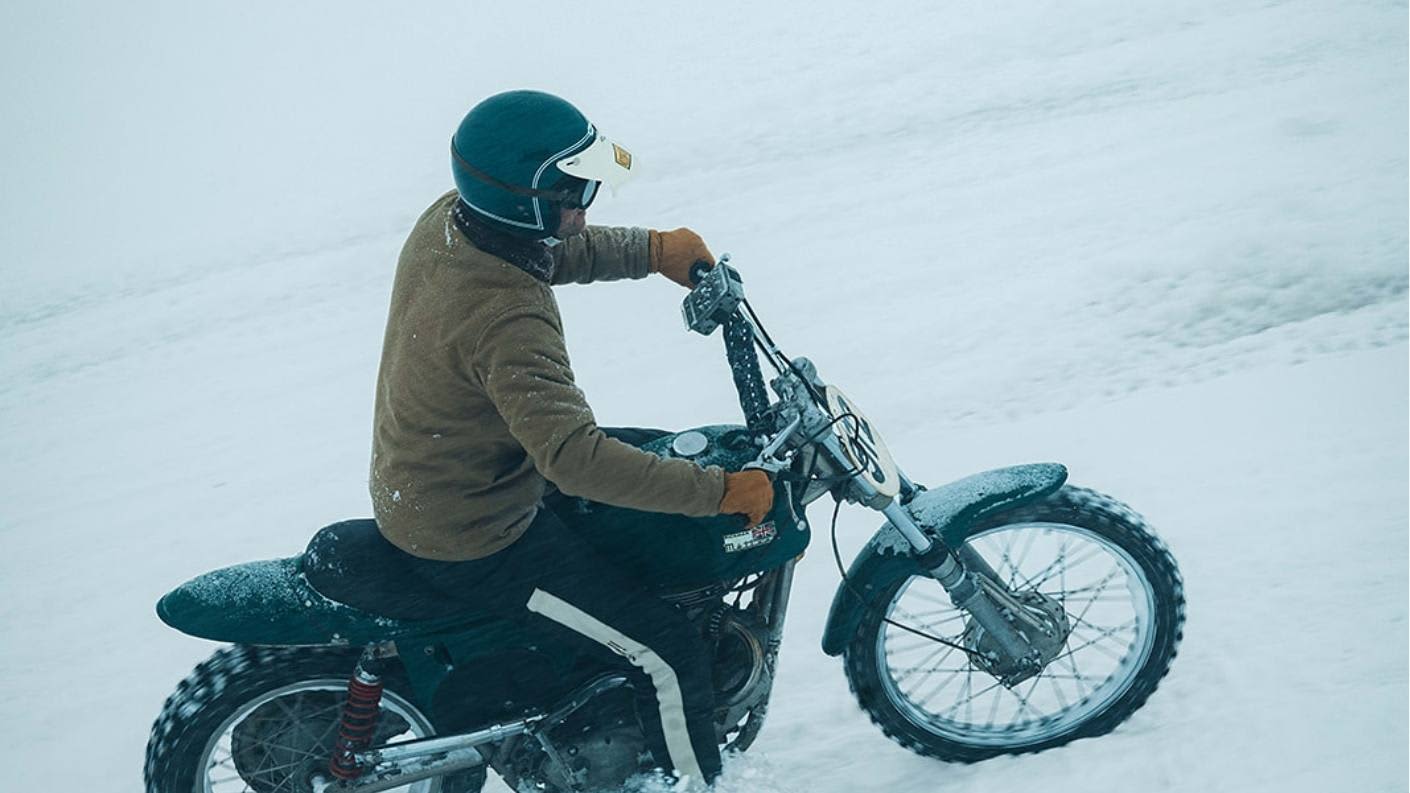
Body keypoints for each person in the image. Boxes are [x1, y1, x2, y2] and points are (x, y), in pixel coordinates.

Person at [366, 90, 774, 786]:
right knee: (665, 648)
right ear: (525, 203)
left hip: (456, 471)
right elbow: (576, 460)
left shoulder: (456, 223)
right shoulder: (504, 314)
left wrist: (652, 251)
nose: (585, 203)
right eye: (572, 190)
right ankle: (694, 780)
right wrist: (718, 492)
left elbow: (554, 251)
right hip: (473, 534)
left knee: (636, 480)